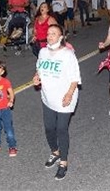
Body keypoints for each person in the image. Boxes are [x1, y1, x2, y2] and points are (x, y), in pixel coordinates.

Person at [34, 24, 81, 180]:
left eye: (53, 33)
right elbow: (39, 69)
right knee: (49, 128)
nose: (49, 36)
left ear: (61, 37)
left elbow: (75, 78)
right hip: (48, 97)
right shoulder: (43, 52)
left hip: (64, 98)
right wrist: (36, 77)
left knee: (61, 129)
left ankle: (64, 162)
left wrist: (69, 94)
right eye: (48, 33)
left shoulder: (68, 54)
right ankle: (55, 151)